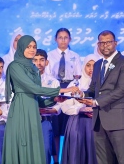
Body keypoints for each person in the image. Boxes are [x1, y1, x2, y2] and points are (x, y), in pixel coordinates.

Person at [2, 35, 78, 164]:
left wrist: (55, 99)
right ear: (21, 48)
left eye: (34, 47)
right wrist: (63, 90)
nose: (32, 50)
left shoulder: (33, 69)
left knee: (35, 148)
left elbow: (36, 98)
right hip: (21, 109)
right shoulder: (14, 66)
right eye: (28, 47)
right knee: (21, 145)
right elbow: (33, 88)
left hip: (33, 109)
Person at [79, 30, 124, 164]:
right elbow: (93, 89)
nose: (105, 46)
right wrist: (80, 95)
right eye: (101, 43)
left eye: (108, 42)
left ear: (115, 43)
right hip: (99, 120)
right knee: (103, 160)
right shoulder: (97, 64)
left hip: (118, 119)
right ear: (98, 45)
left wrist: (96, 102)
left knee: (123, 159)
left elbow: (121, 90)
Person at [47, 28, 82, 161]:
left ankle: (69, 158)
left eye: (65, 37)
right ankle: (55, 160)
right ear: (55, 39)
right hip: (55, 89)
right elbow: (48, 76)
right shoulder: (49, 56)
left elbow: (78, 76)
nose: (63, 40)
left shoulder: (75, 56)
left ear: (70, 39)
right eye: (60, 37)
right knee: (55, 129)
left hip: (70, 87)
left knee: (69, 127)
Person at [61, 54, 99, 164]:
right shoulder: (75, 83)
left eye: (95, 65)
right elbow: (65, 106)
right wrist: (79, 109)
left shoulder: (104, 84)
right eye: (88, 65)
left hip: (99, 124)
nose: (91, 68)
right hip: (78, 123)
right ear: (84, 67)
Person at [32, 49, 62, 164]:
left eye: (41, 60)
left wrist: (52, 110)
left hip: (45, 121)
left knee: (45, 153)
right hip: (27, 122)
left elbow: (59, 104)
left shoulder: (53, 82)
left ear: (47, 62)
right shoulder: (24, 81)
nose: (38, 63)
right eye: (35, 60)